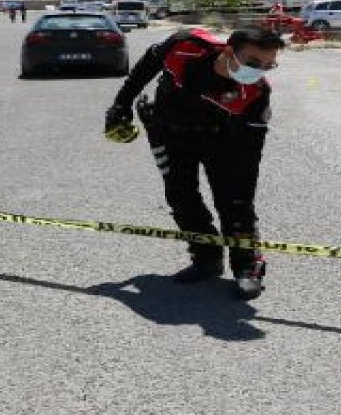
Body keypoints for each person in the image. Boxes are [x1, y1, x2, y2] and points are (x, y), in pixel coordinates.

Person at [104, 28, 285, 300]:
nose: (258, 71)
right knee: (180, 197)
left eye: (267, 66)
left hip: (221, 138)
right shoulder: (186, 43)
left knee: (234, 200)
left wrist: (242, 198)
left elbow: (250, 156)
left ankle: (246, 267)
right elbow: (146, 66)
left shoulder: (255, 94)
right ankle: (206, 258)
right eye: (252, 63)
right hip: (168, 129)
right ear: (228, 52)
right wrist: (120, 106)